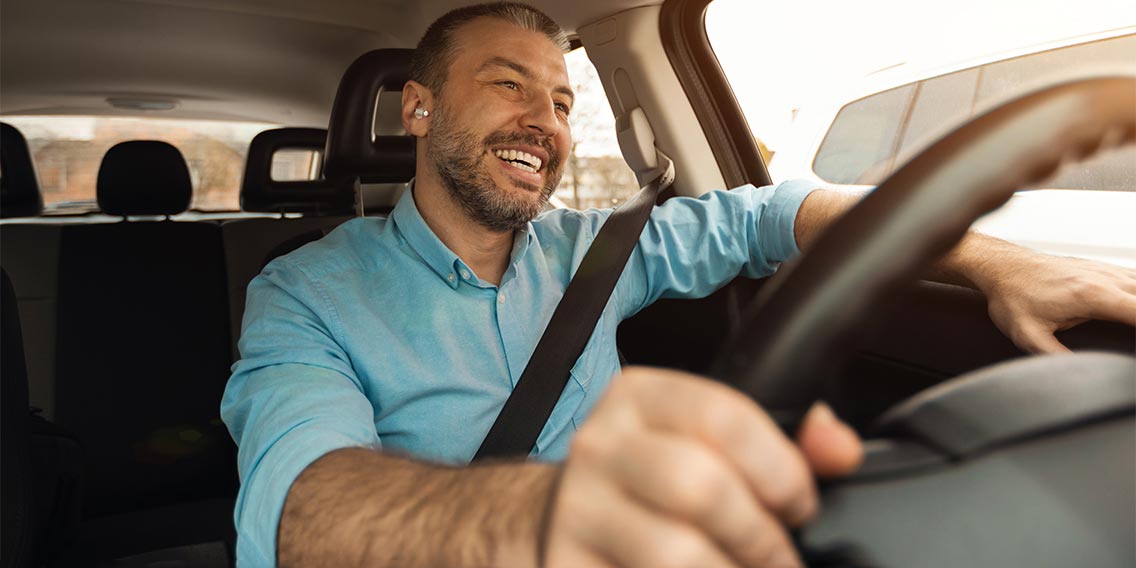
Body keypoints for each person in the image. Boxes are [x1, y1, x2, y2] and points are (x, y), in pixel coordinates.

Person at [221, 3, 1136, 566]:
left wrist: (996, 263)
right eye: (509, 86)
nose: (545, 123)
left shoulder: (602, 250)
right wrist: (553, 525)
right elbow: (303, 503)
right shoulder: (304, 292)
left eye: (564, 101)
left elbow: (779, 212)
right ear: (418, 109)